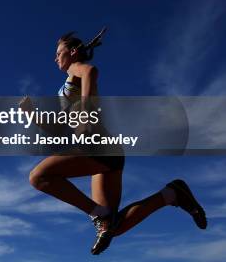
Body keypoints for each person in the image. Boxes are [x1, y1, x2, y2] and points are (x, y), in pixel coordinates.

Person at [21, 28, 207, 255]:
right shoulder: (67, 85)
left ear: (72, 52)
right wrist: (32, 115)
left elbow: (91, 71)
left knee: (39, 177)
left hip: (96, 145)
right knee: (114, 226)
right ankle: (172, 194)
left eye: (58, 52)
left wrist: (86, 111)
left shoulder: (76, 70)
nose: (55, 58)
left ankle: (98, 215)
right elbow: (59, 126)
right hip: (105, 151)